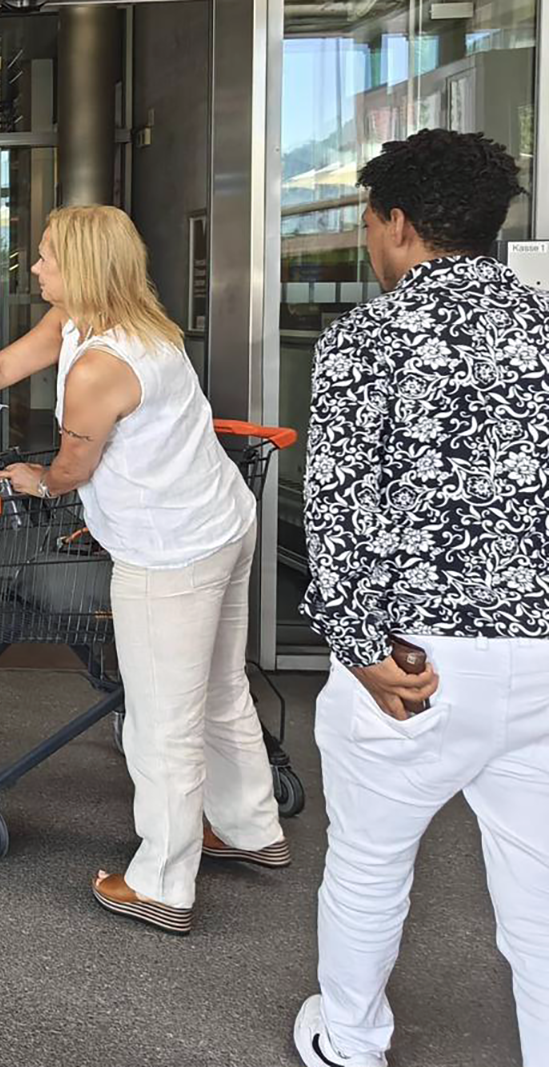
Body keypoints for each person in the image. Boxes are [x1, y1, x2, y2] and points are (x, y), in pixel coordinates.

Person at [0, 205, 285, 935]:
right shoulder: (116, 323)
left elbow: (73, 468)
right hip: (221, 522)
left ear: (81, 268)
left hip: (169, 552)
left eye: (46, 256)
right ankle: (248, 826)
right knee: (220, 687)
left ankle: (164, 882)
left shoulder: (101, 365)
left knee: (162, 718)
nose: (34, 266)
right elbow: (5, 366)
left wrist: (28, 477)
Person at [294, 130, 548, 1067]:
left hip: (415, 661)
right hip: (544, 650)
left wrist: (359, 647)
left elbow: (338, 510)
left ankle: (351, 1041)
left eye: (369, 222)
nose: (369, 239)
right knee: (543, 895)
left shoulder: (366, 340)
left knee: (368, 863)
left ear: (399, 224)